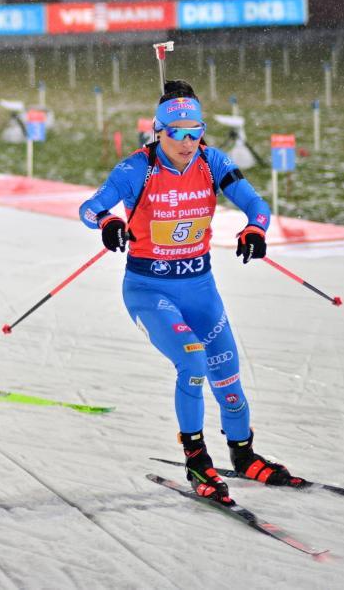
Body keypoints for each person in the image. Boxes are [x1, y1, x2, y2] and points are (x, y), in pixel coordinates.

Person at [78, 79, 294, 504]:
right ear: (158, 131)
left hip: (200, 288)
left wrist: (255, 228)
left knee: (228, 375)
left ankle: (244, 453)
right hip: (148, 289)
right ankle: (197, 460)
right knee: (192, 360)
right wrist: (108, 223)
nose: (187, 141)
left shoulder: (212, 162)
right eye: (177, 132)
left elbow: (258, 206)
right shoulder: (136, 168)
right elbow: (90, 207)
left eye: (195, 132)